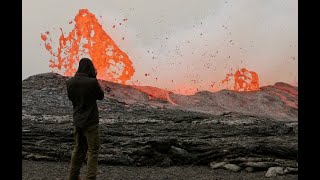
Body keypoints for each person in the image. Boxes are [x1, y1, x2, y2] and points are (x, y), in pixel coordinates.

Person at [66, 58, 104, 180]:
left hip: (78, 120)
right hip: (91, 122)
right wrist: (94, 77)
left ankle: (73, 176)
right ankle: (90, 177)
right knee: (93, 150)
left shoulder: (70, 82)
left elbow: (71, 98)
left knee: (78, 149)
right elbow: (101, 96)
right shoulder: (92, 82)